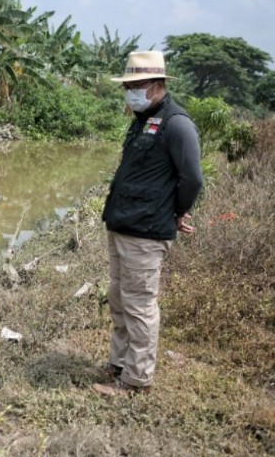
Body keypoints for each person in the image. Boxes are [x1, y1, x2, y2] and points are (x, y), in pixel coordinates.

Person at [91, 51, 204, 397]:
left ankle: (136, 381)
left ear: (157, 85)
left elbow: (192, 179)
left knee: (139, 304)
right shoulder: (141, 118)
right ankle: (120, 362)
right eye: (127, 86)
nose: (130, 91)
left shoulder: (177, 123)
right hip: (122, 223)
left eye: (135, 85)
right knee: (119, 299)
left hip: (146, 231)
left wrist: (177, 212)